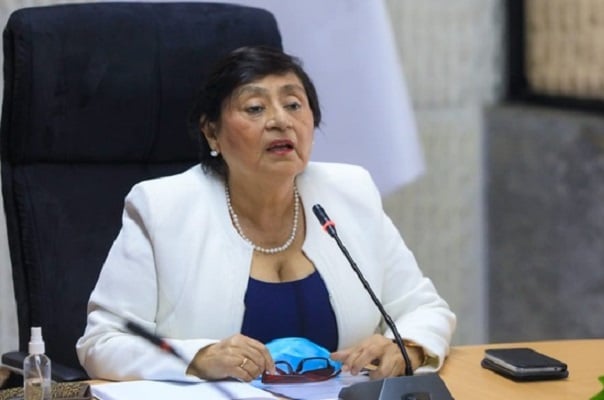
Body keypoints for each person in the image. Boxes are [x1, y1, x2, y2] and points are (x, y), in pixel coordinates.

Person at [76, 45, 456, 383]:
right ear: (212, 133)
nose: (280, 121)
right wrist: (198, 359)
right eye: (255, 108)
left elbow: (423, 308)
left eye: (293, 105)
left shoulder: (350, 193)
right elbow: (103, 341)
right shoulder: (163, 209)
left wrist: (407, 347)